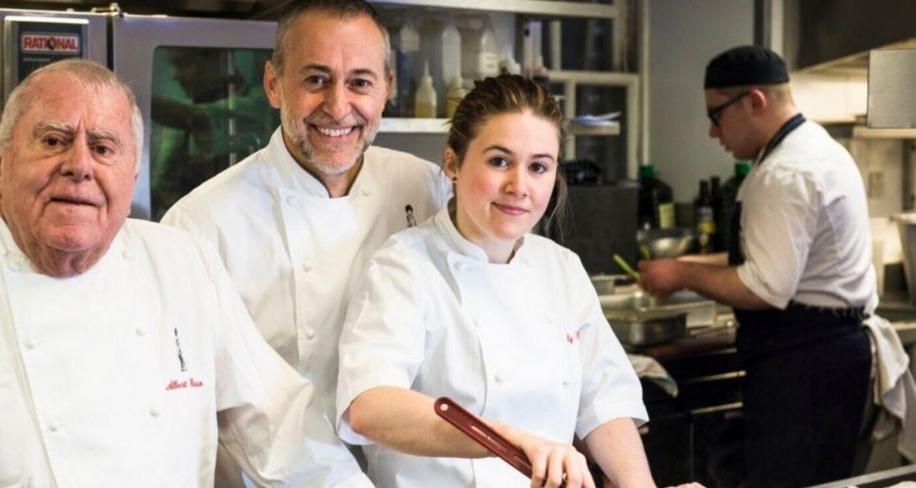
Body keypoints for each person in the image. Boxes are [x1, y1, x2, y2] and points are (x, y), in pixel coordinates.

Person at [0, 59, 359, 487]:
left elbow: (282, 433)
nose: (79, 167)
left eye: (103, 148)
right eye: (53, 140)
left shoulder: (183, 263)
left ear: (132, 173)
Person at [161, 0, 449, 476]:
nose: (338, 107)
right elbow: (215, 408)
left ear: (388, 88)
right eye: (315, 80)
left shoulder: (427, 189)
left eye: (359, 82)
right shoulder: (199, 227)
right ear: (274, 84)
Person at [334, 74, 655, 488]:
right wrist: (507, 439)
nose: (519, 186)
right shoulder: (406, 266)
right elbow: (370, 406)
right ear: (452, 163)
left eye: (538, 167)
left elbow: (605, 398)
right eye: (499, 161)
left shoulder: (562, 268)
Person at [637, 45, 876, 487]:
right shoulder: (812, 149)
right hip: (822, 358)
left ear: (754, 102)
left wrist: (681, 274)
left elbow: (765, 287)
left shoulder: (787, 172)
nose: (713, 132)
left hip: (806, 366)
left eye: (716, 115)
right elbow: (777, 256)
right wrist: (688, 261)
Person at [150, 47, 275, 220]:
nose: (176, 75)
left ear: (219, 61)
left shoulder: (261, 101)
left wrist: (137, 97)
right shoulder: (180, 122)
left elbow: (197, 116)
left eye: (184, 64)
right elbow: (164, 183)